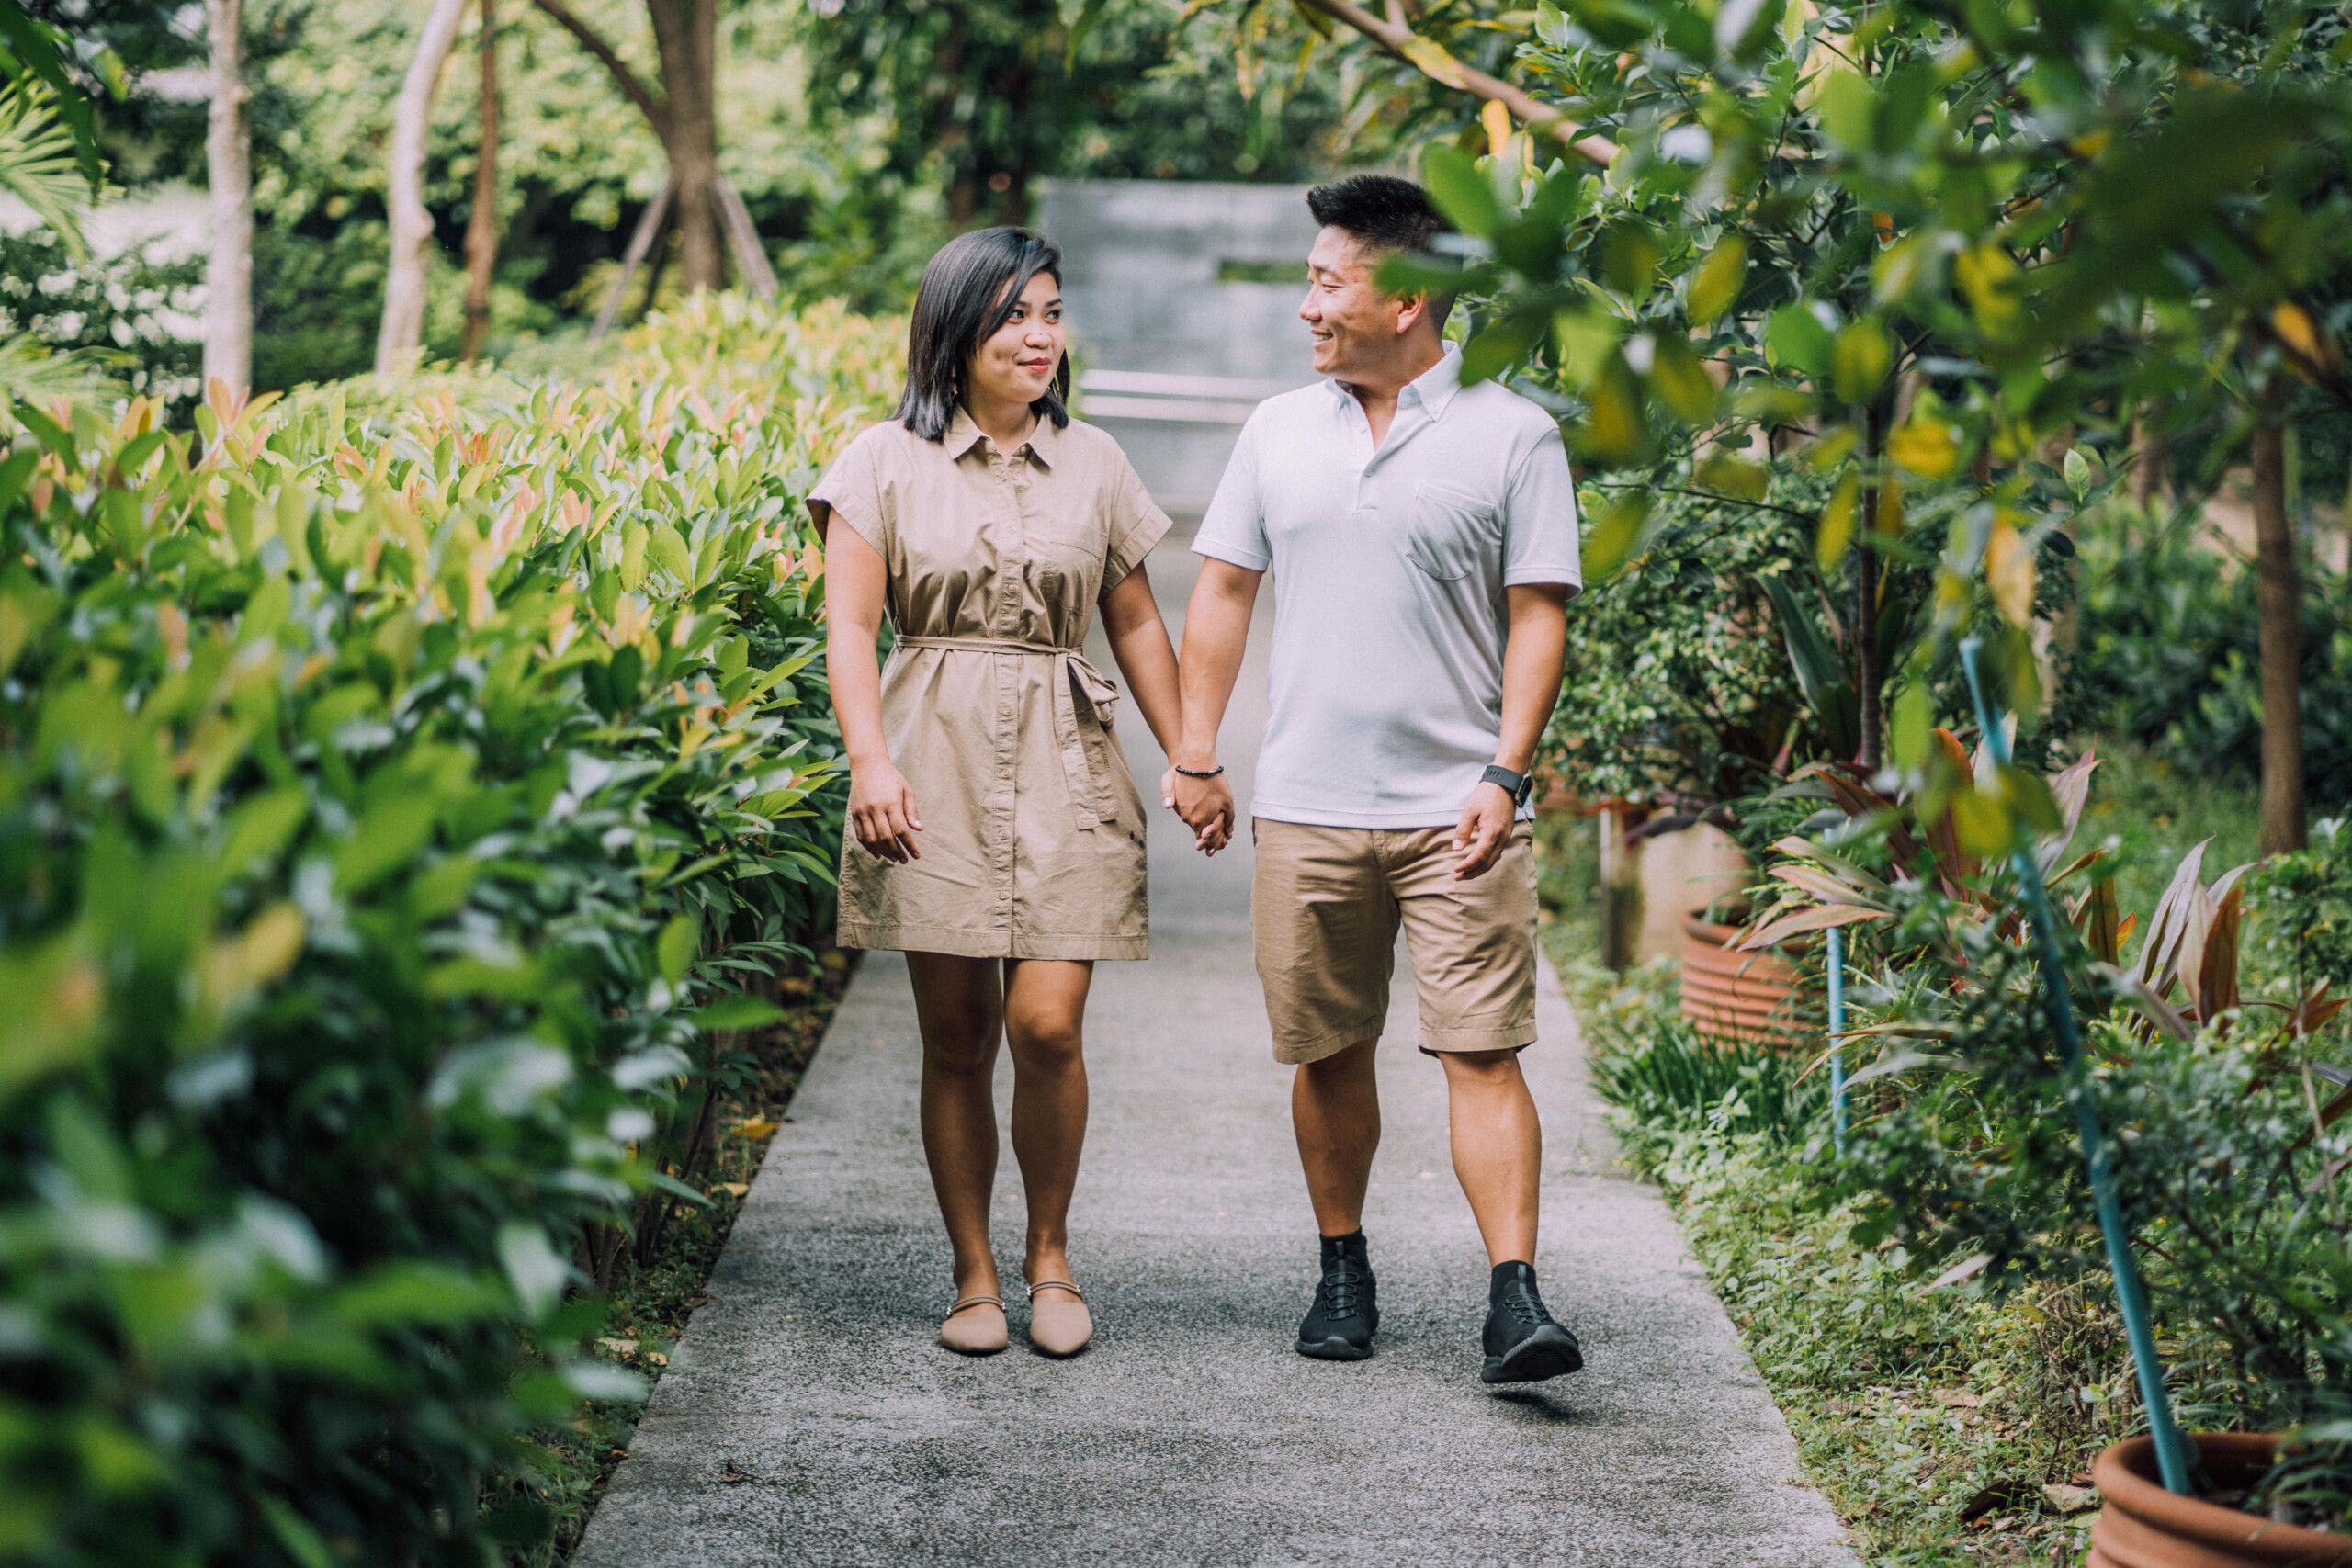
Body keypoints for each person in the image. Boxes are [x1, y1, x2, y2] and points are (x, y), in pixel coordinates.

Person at [1170, 175, 1585, 1384]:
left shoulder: (1514, 433)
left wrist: (1506, 773)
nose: (1307, 304)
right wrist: (1198, 750)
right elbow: (1225, 590)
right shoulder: (1275, 430)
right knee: (1329, 1048)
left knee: (1482, 1048)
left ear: (1405, 299)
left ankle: (1517, 1297)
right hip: (1307, 802)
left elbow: (1536, 615)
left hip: (1457, 806)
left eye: (1325, 280)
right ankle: (1341, 1263)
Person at [811, 227, 1184, 1359]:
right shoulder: (879, 459)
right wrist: (871, 761)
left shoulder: (1097, 461)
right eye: (1016, 315)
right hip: (932, 757)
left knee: (1048, 1025)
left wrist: (1192, 757)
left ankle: (1051, 1258)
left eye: (1053, 314)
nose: (1040, 336)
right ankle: (975, 1277)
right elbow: (848, 625)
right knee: (960, 1033)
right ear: (956, 329)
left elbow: (1133, 622)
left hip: (1067, 762)